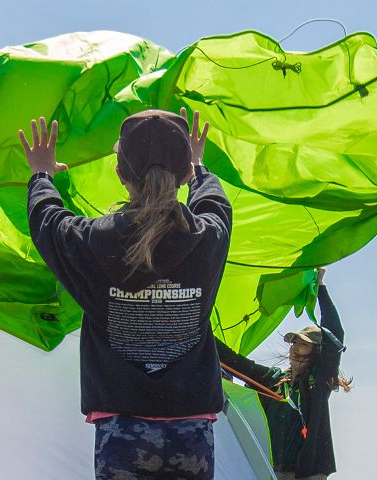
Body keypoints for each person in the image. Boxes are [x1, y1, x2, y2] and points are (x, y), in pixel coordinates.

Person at [22, 109, 229, 479]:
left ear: (120, 174)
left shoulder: (90, 241)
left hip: (121, 429)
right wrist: (200, 167)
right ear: (183, 175)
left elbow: (47, 221)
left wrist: (42, 174)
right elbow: (215, 204)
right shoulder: (208, 238)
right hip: (191, 429)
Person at [216, 269, 350, 480]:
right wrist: (199, 328)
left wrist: (321, 286)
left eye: (303, 344)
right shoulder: (273, 380)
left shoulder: (318, 382)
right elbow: (237, 363)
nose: (295, 347)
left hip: (308, 473)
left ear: (317, 351)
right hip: (271, 471)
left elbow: (335, 335)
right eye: (294, 342)